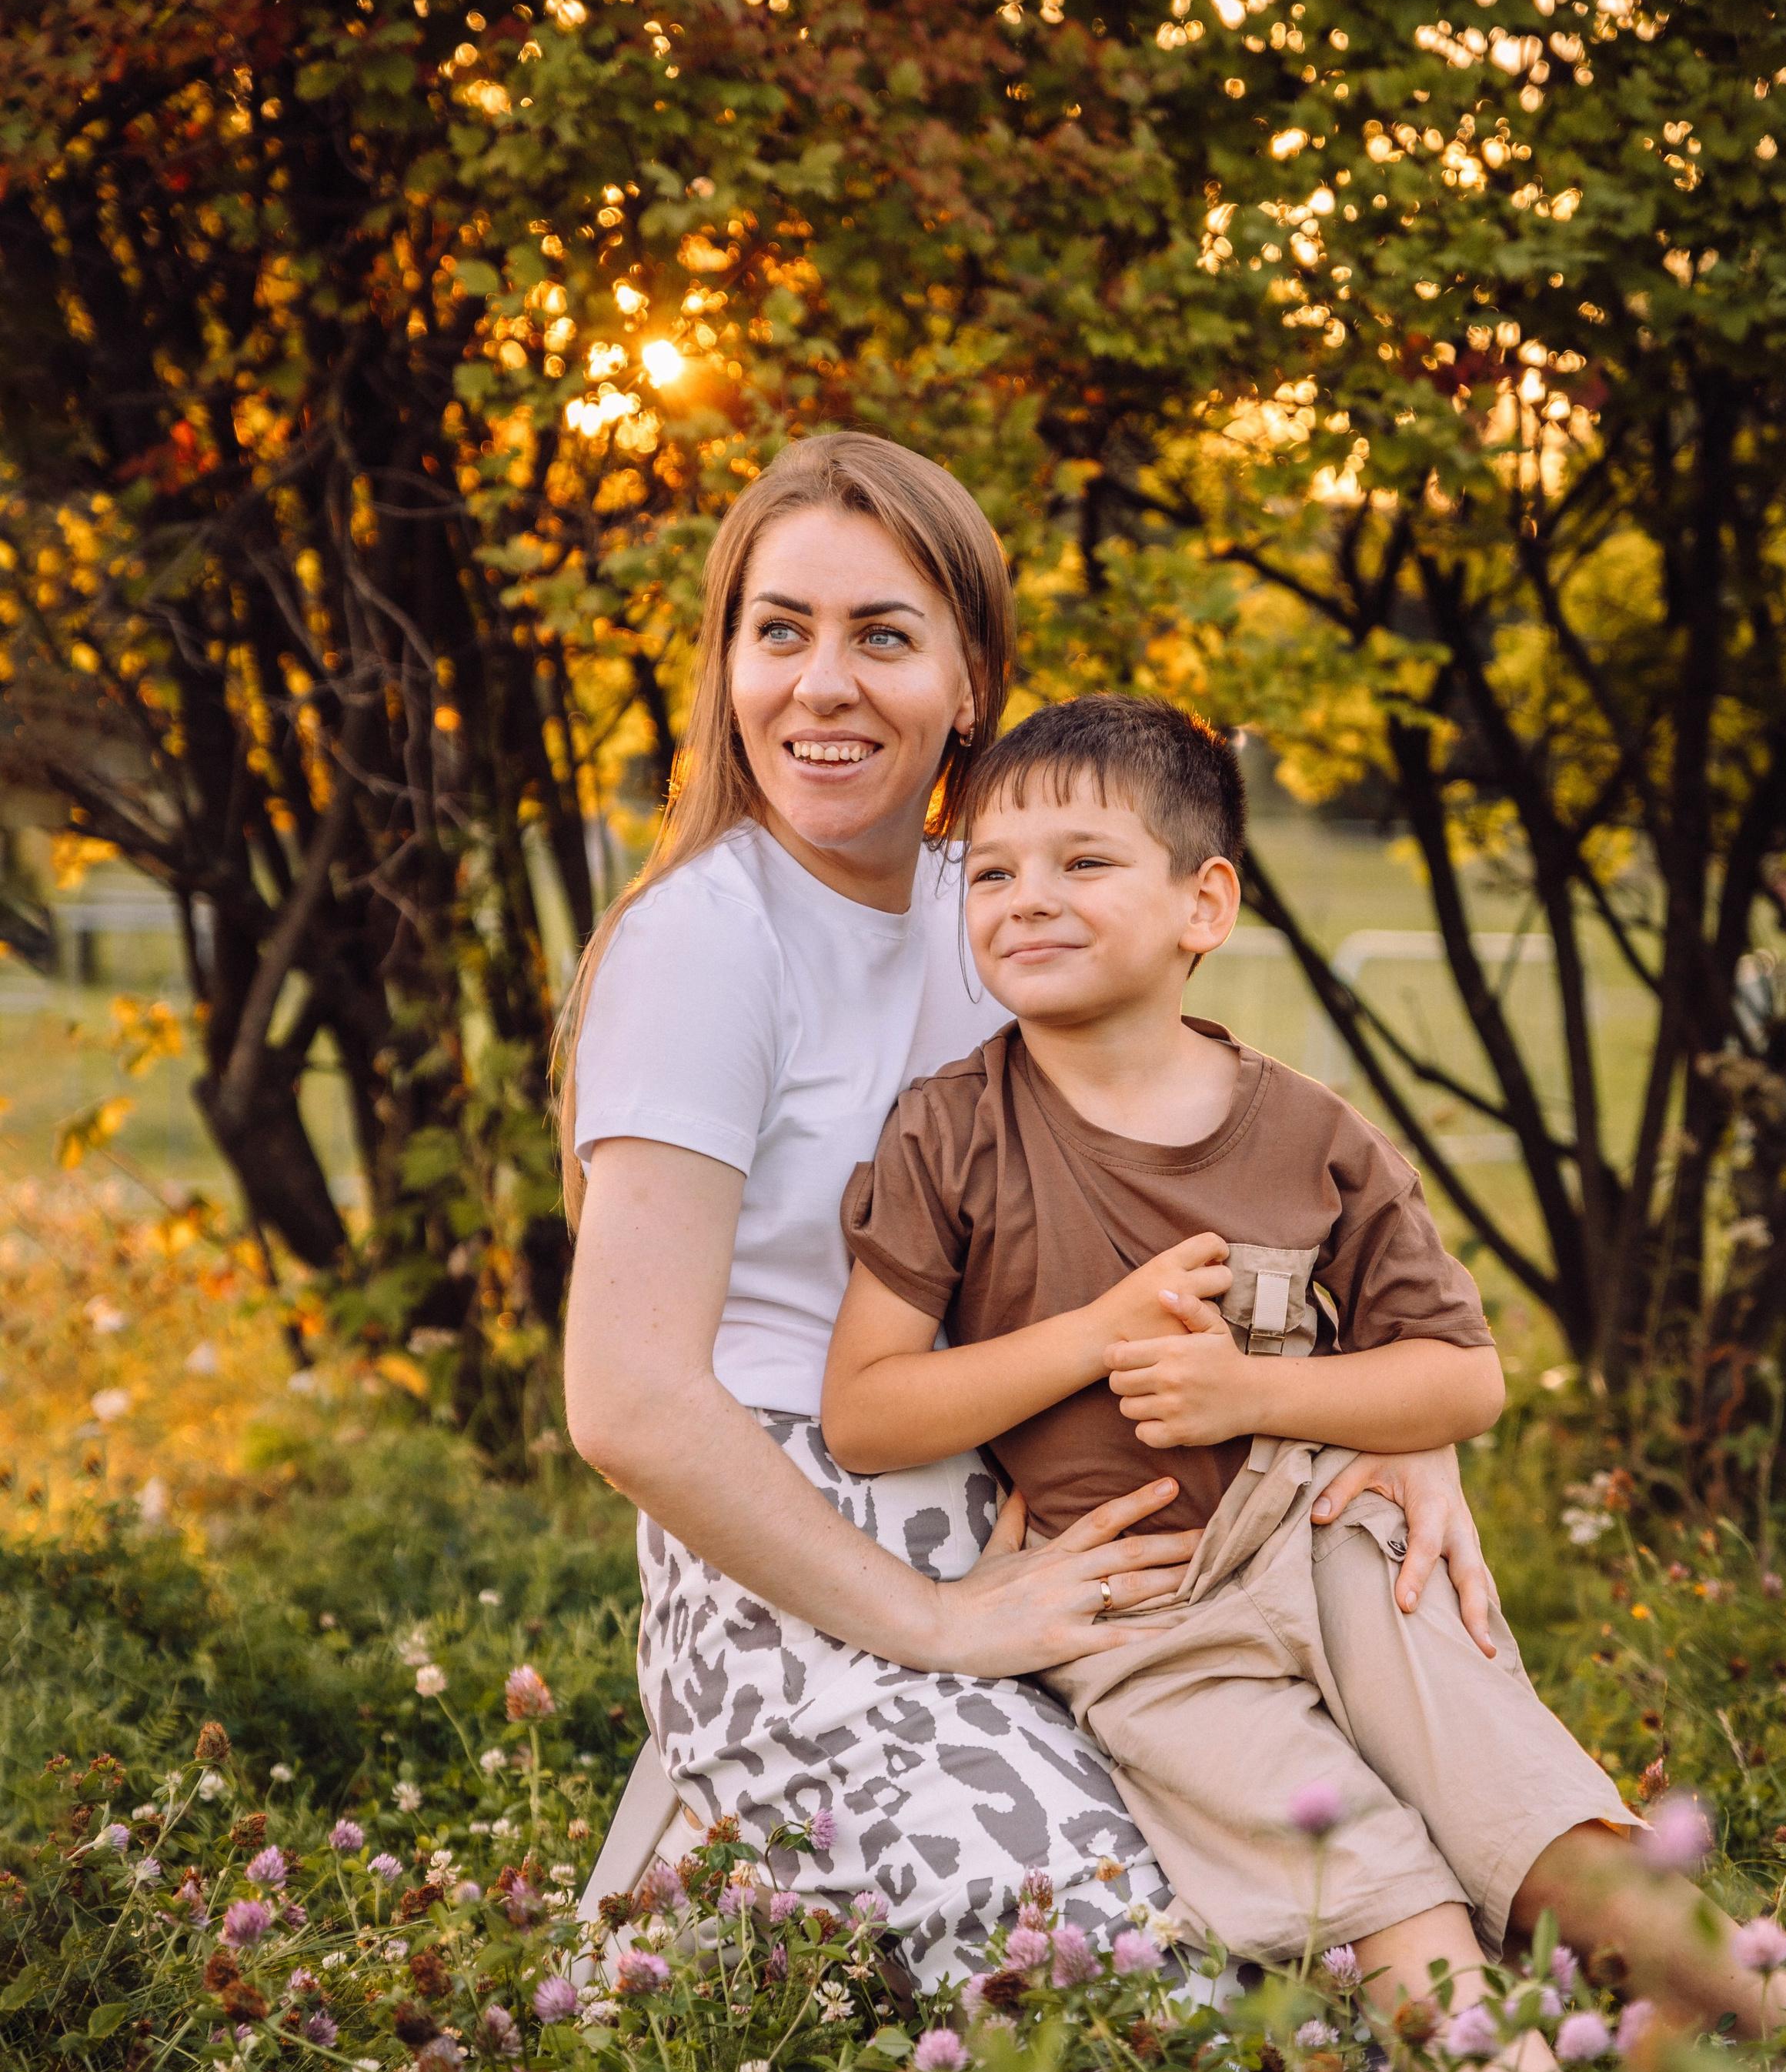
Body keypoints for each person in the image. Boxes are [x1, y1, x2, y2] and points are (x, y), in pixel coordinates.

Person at [558, 432, 1493, 1989]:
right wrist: (931, 1624)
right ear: (725, 664)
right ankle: (746, 1863)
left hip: (1077, 1506)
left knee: (1393, 1872)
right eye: (777, 630)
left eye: (882, 634)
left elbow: (1228, 1175)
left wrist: (1402, 1421)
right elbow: (631, 1401)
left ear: (971, 682)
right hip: (803, 1559)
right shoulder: (703, 943)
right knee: (1135, 1978)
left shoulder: (994, 904)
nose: (821, 683)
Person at [823, 694, 1786, 2072]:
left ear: (1205, 903)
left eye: (1083, 861)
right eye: (991, 870)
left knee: (1550, 1844)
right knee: (1384, 1898)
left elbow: (1458, 1381)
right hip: (1142, 1619)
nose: (1025, 898)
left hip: (1335, 1546)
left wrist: (1250, 1398)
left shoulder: (1308, 1136)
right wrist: (1099, 1334)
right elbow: (864, 1412)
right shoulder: (950, 1130)